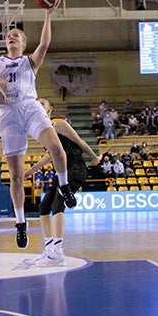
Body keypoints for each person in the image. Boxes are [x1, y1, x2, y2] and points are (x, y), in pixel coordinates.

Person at [0, 4, 77, 249]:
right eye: (9, 36)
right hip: (8, 114)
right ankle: (21, 223)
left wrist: (48, 14)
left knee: (56, 148)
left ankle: (64, 187)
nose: (11, 37)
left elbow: (44, 45)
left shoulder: (29, 61)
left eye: (16, 36)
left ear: (23, 44)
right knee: (15, 176)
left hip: (29, 106)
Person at [24, 98, 99, 265]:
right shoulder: (44, 130)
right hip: (61, 171)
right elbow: (50, 155)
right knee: (43, 206)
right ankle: (49, 248)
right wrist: (30, 171)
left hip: (75, 168)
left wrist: (94, 157)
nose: (39, 104)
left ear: (51, 109)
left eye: (42, 103)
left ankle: (58, 251)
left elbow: (79, 141)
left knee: (57, 205)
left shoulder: (58, 124)